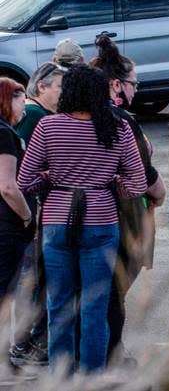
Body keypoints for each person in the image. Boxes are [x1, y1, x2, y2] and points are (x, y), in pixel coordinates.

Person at [18, 65, 147, 373]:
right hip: (101, 220)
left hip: (57, 220)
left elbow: (25, 180)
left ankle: (60, 376)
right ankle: (92, 376)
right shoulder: (117, 128)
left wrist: (50, 180)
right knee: (95, 307)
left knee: (58, 305)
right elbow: (138, 183)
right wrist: (112, 183)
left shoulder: (48, 128)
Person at [90, 35, 165, 361]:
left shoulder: (77, 118)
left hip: (93, 216)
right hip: (123, 216)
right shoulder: (121, 122)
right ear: (116, 85)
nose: (137, 89)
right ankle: (112, 353)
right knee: (113, 293)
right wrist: (159, 194)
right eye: (134, 83)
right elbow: (144, 173)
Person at [10, 63, 64, 368]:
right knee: (33, 282)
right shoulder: (34, 116)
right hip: (33, 212)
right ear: (41, 87)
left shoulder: (42, 115)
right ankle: (26, 343)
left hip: (39, 212)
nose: (64, 93)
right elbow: (25, 169)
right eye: (59, 86)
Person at [0, 79, 33, 305]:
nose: (25, 107)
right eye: (23, 101)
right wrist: (27, 216)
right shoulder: (4, 134)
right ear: (8, 100)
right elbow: (7, 186)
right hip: (6, 229)